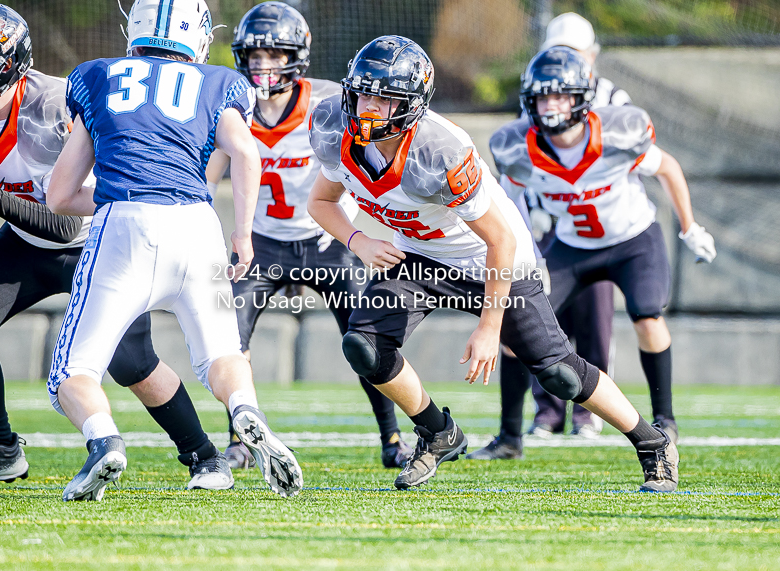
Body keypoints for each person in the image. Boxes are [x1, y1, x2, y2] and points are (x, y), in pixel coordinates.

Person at [307, 35, 680, 492]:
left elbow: (500, 239)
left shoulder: (438, 151)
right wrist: (357, 238)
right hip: (420, 259)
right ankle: (437, 431)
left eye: (384, 98)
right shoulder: (332, 126)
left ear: (411, 104)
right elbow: (322, 202)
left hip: (492, 260)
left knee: (559, 372)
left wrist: (489, 326)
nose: (368, 106)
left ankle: (652, 442)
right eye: (364, 92)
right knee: (364, 346)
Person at [45, 0, 302, 501]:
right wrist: (243, 235)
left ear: (133, 29)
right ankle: (245, 409)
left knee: (74, 373)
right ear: (199, 36)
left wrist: (111, 198)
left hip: (125, 224)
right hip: (198, 224)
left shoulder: (97, 76)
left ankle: (103, 441)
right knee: (222, 356)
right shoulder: (215, 81)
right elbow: (246, 152)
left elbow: (58, 196)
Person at [0, 1, 230, 492]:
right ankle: (0, 449)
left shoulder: (58, 105)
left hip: (95, 244)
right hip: (24, 244)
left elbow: (64, 218)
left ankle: (204, 455)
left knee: (132, 363)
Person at [207, 1, 412, 470]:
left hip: (325, 241)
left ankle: (392, 436)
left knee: (367, 340)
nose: (263, 66)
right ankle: (239, 440)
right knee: (228, 340)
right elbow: (207, 179)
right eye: (254, 56)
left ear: (295, 56)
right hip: (262, 244)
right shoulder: (232, 105)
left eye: (274, 55)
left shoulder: (330, 103)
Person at [488, 47, 716, 453]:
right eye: (542, 96)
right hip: (573, 247)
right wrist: (530, 254)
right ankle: (509, 437)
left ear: (581, 98)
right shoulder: (517, 147)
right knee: (514, 323)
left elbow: (667, 168)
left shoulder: (618, 133)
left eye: (560, 95)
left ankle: (665, 418)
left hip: (632, 241)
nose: (551, 105)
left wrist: (690, 226)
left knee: (648, 316)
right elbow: (510, 203)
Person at [469, 13, 631, 459]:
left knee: (595, 325)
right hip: (543, 231)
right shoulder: (536, 100)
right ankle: (539, 416)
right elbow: (517, 172)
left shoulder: (613, 101)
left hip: (595, 231)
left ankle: (587, 414)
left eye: (576, 54)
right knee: (526, 321)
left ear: (592, 57)